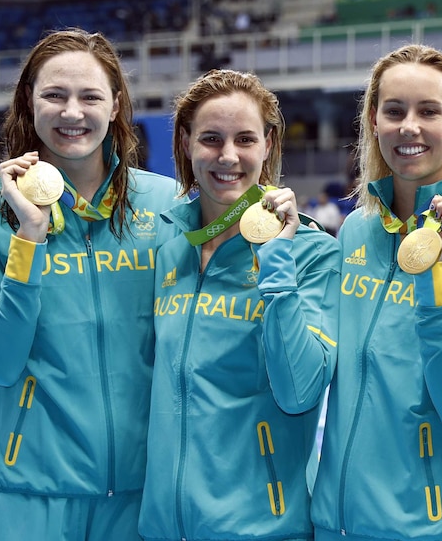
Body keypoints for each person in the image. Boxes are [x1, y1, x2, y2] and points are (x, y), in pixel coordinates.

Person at [0, 28, 181, 541]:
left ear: (116, 105)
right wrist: (28, 237)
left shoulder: (167, 205)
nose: (72, 112)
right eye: (54, 95)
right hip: (28, 490)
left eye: (90, 96)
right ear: (28, 103)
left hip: (142, 494)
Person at [310, 44, 442, 541]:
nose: (409, 127)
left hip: (435, 528)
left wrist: (431, 278)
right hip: (337, 523)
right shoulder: (357, 230)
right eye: (394, 110)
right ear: (373, 120)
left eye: (429, 111)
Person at [137, 69, 341, 541]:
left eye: (244, 139)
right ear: (186, 142)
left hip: (262, 529)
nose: (227, 156)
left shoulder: (312, 254)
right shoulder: (170, 248)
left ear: (268, 144)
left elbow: (300, 392)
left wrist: (277, 264)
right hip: (162, 529)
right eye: (211, 138)